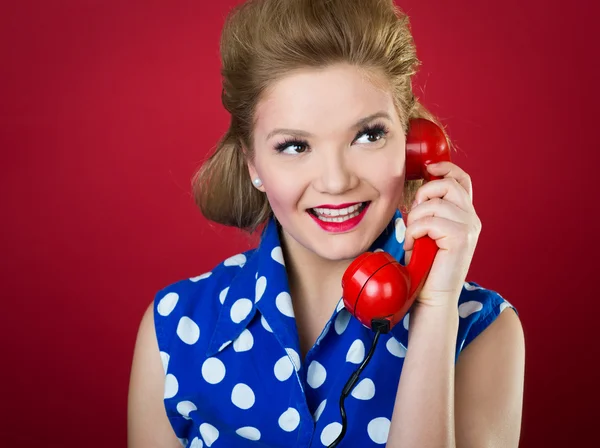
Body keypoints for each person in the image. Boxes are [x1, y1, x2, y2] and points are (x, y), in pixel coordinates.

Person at [127, 0, 526, 446]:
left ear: (416, 147)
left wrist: (435, 310)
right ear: (252, 163)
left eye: (369, 135)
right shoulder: (173, 328)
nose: (336, 182)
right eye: (295, 146)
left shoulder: (482, 331)